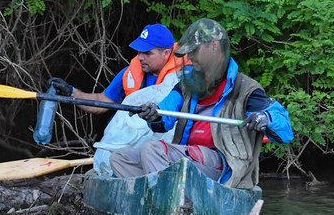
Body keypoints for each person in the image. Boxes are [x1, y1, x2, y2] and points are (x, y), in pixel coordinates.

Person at [109, 19, 294, 189]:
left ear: (214, 47)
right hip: (187, 158)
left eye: (194, 51)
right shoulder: (186, 84)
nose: (190, 57)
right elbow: (164, 117)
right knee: (120, 158)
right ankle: (158, 201)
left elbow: (285, 131)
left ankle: (166, 205)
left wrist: (265, 118)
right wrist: (153, 114)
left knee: (152, 149)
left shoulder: (246, 89)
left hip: (223, 165)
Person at [49, 23, 185, 113]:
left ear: (166, 53)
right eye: (139, 51)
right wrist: (71, 93)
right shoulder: (128, 74)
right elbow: (100, 102)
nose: (140, 57)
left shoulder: (185, 77)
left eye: (148, 53)